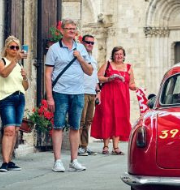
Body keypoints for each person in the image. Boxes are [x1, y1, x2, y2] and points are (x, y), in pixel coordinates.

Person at [45, 19, 94, 172]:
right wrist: (49, 97)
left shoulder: (81, 48)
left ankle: (74, 160)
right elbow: (48, 74)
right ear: (62, 31)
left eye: (74, 29)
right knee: (58, 126)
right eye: (69, 29)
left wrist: (80, 58)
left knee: (75, 127)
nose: (72, 31)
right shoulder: (54, 49)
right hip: (60, 92)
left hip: (78, 92)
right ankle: (58, 161)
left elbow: (90, 71)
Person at [91, 46, 138, 155]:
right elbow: (98, 77)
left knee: (119, 119)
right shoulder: (108, 65)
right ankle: (106, 146)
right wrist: (109, 79)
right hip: (108, 96)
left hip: (122, 98)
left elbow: (131, 83)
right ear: (113, 55)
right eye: (117, 54)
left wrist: (135, 87)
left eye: (121, 54)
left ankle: (116, 147)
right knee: (107, 118)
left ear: (124, 55)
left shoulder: (129, 67)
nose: (119, 56)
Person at [0, 36, 29, 172]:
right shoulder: (1, 62)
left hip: (20, 97)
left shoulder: (19, 65)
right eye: (12, 47)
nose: (15, 50)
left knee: (14, 130)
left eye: (17, 47)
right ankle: (4, 162)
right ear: (7, 49)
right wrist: (15, 61)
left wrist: (25, 77)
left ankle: (9, 160)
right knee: (8, 129)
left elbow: (25, 86)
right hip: (6, 97)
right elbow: (3, 73)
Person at [78, 34, 99, 156]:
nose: (90, 45)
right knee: (81, 120)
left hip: (91, 92)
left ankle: (84, 145)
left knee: (88, 121)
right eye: (88, 42)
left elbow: (94, 76)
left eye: (92, 43)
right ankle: (77, 145)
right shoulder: (80, 56)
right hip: (82, 90)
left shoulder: (93, 58)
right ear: (82, 42)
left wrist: (98, 91)